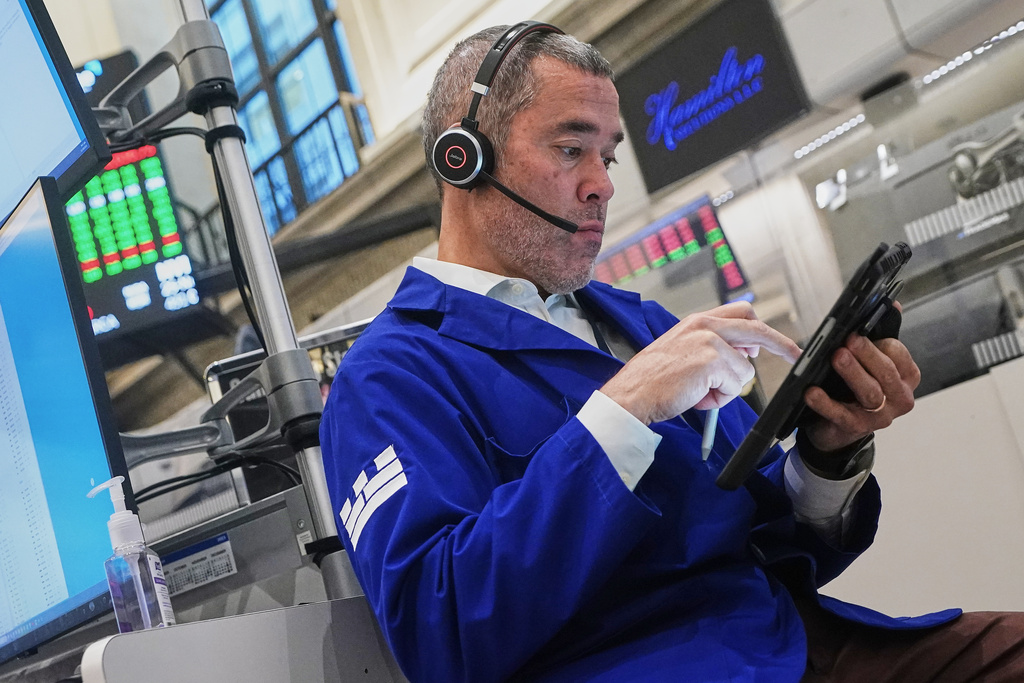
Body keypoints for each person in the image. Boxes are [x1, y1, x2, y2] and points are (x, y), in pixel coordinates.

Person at [319, 23, 1024, 682]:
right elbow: (440, 629)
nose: (602, 184)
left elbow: (773, 533)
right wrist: (620, 412)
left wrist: (827, 453)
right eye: (570, 149)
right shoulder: (386, 376)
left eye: (607, 156)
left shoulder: (635, 321)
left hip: (789, 643)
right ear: (462, 157)